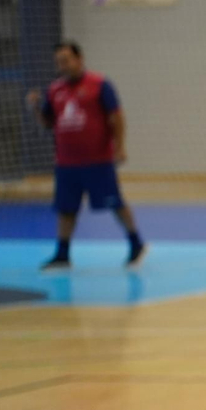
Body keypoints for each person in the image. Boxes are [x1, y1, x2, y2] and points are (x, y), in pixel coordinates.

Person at [26, 41, 146, 270]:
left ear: (79, 59)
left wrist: (119, 146)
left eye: (66, 60)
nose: (62, 65)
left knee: (115, 203)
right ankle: (62, 254)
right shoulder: (54, 90)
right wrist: (35, 108)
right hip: (67, 163)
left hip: (97, 161)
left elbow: (116, 117)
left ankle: (135, 242)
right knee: (65, 208)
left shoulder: (99, 85)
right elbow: (48, 122)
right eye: (58, 62)